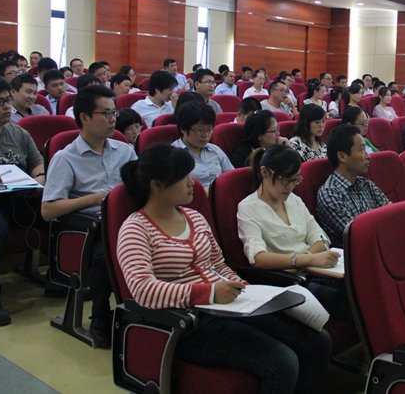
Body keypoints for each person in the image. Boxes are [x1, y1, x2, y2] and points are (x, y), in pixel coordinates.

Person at [118, 143, 331, 392]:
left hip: (229, 308)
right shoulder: (135, 229)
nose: (192, 183)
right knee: (283, 362)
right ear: (157, 185)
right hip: (188, 323)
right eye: (184, 178)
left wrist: (246, 292)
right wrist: (208, 293)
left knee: (318, 341)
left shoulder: (194, 218)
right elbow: (143, 290)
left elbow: (219, 264)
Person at [41, 85, 137, 347]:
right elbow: (48, 210)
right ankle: (100, 314)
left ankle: (145, 312)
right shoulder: (66, 158)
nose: (113, 119)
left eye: (114, 113)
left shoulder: (125, 151)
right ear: (84, 117)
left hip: (127, 222)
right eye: (105, 114)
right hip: (89, 229)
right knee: (108, 251)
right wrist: (93, 199)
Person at [237, 145, 348, 315]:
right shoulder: (248, 208)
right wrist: (309, 259)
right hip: (289, 282)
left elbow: (321, 238)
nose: (290, 186)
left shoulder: (294, 200)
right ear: (265, 172)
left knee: (359, 283)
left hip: (315, 271)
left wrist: (307, 260)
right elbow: (258, 259)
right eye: (285, 180)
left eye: (295, 180)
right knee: (345, 298)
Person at [0, 75, 46, 326]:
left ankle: (61, 275)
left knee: (57, 212)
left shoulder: (19, 133)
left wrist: (39, 177)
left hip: (21, 197)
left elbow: (37, 163)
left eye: (7, 101)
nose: (7, 107)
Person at [316, 124, 389, 247]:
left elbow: (390, 213)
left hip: (383, 243)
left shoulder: (366, 184)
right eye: (362, 150)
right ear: (342, 156)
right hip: (361, 253)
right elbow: (358, 235)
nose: (368, 156)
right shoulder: (329, 193)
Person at [172, 103, 232, 190]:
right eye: (200, 130)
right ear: (183, 129)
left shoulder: (215, 150)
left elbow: (231, 177)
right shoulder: (173, 155)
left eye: (209, 130)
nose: (205, 135)